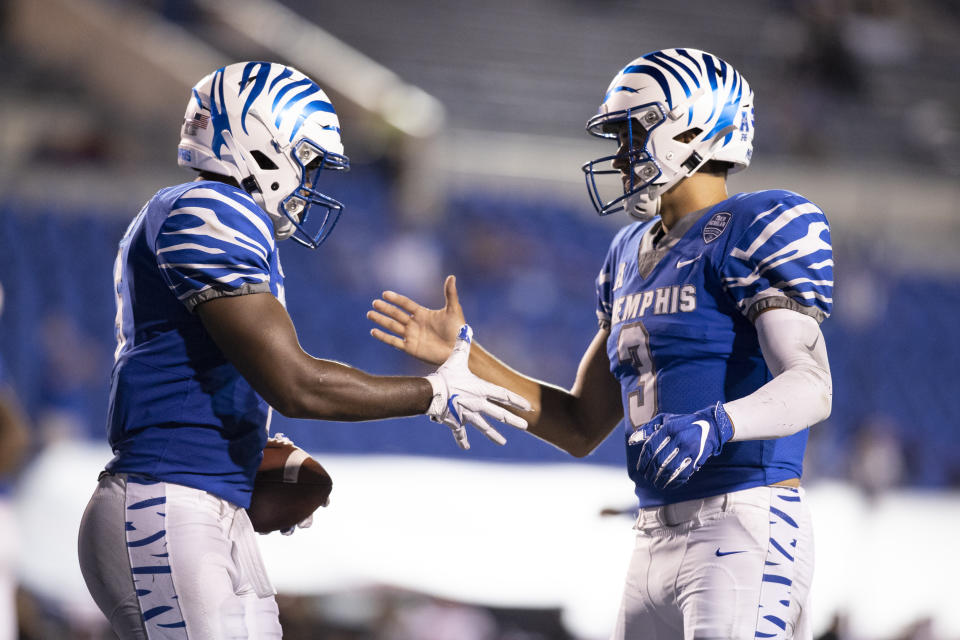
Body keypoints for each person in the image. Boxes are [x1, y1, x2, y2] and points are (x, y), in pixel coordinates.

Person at [368, 48, 833, 640]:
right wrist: (464, 355)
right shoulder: (626, 255)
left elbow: (811, 386)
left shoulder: (758, 224)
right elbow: (578, 423)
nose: (620, 156)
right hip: (650, 535)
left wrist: (717, 424)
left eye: (633, 135)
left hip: (742, 518)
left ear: (689, 130)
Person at [77, 61, 529, 640]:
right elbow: (298, 384)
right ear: (262, 142)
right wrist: (434, 393)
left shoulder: (217, 217)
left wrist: (241, 453)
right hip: (168, 501)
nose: (311, 183)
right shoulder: (210, 210)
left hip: (201, 501)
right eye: (307, 161)